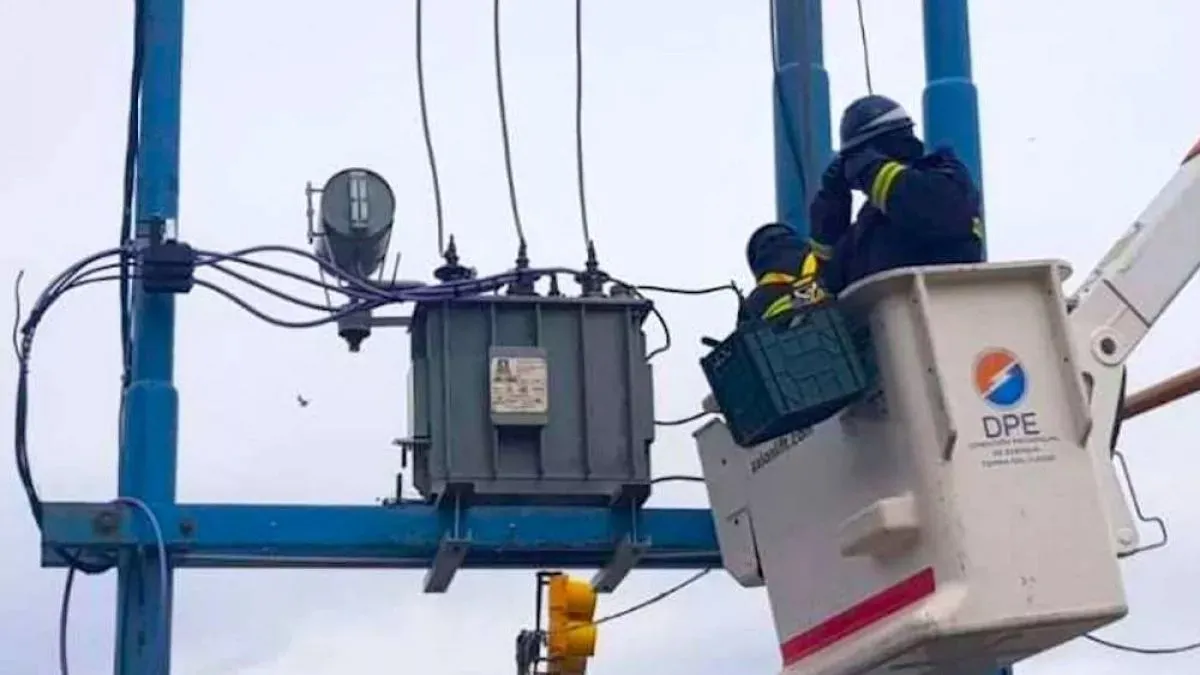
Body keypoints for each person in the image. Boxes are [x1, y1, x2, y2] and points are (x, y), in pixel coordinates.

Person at [808, 94, 985, 295]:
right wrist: (832, 201)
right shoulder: (870, 225)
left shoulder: (946, 179)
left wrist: (869, 168)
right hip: (884, 320)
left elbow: (928, 209)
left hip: (944, 316)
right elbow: (830, 277)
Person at [739, 222, 828, 323]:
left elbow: (743, 334)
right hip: (837, 320)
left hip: (785, 331)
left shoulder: (752, 303)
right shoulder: (822, 259)